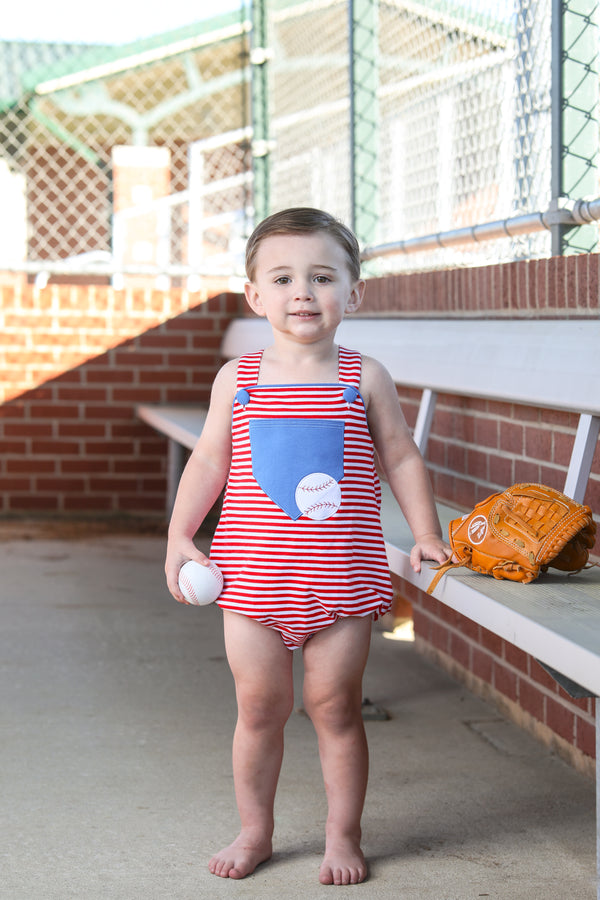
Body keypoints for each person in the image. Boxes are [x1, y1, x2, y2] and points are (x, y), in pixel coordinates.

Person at [165, 207, 451, 886]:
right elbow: (208, 462)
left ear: (353, 294)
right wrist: (180, 535)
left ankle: (342, 836)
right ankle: (255, 830)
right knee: (259, 709)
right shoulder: (240, 378)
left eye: (322, 277)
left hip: (343, 585)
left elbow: (403, 459)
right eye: (284, 277)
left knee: (336, 709)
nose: (303, 292)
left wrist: (429, 533)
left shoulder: (365, 376)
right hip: (253, 582)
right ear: (255, 295)